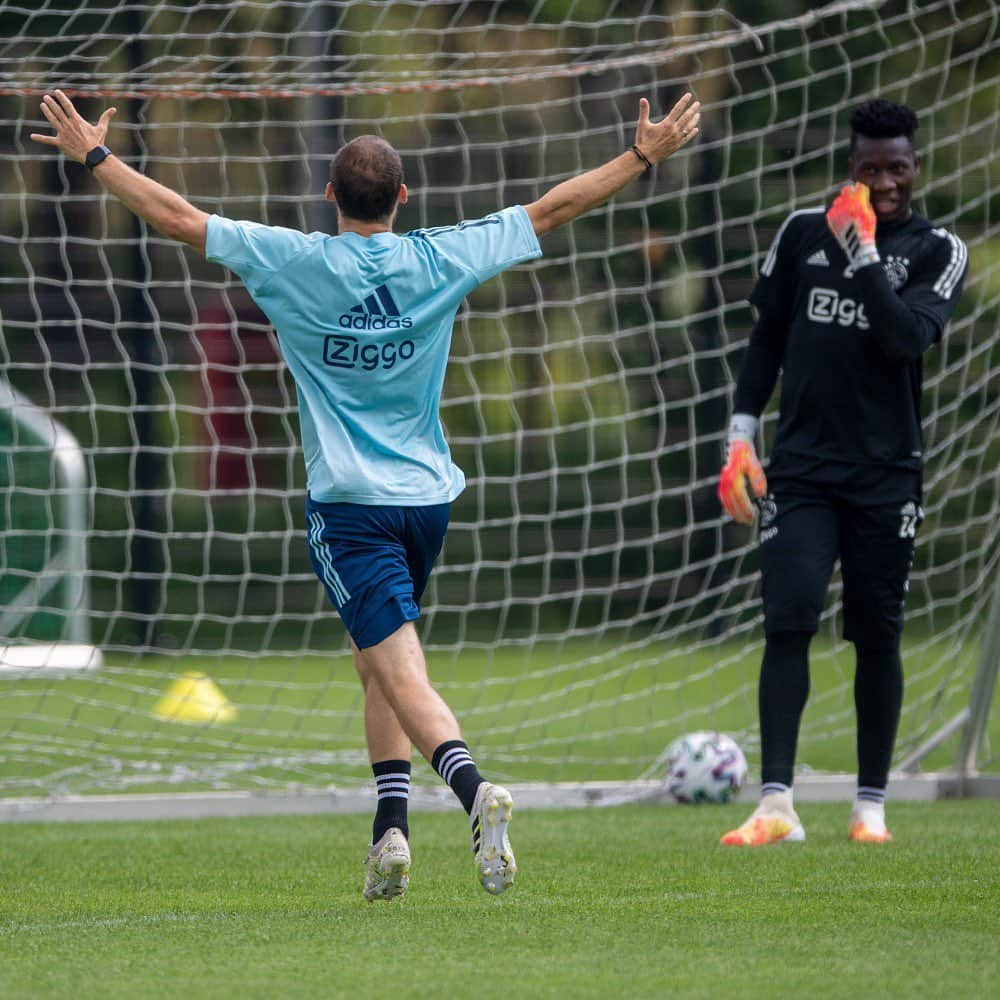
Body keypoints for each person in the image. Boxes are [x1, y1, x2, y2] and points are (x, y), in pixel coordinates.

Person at [32, 88, 700, 896]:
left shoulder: (295, 260)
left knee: (401, 668)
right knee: (375, 661)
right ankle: (390, 830)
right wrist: (641, 156)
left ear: (328, 198)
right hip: (425, 500)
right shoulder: (439, 255)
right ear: (404, 199)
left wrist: (96, 156)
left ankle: (474, 791)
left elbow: (176, 217)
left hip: (349, 504)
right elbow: (554, 207)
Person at [717, 99, 967, 846]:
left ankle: (869, 809)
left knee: (877, 635)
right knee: (787, 620)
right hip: (799, 472)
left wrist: (862, 255)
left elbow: (905, 340)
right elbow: (766, 342)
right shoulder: (800, 234)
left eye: (897, 167)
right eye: (869, 168)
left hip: (887, 475)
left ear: (914, 167)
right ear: (849, 166)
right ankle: (775, 807)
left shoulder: (935, 250)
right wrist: (740, 436)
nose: (884, 181)